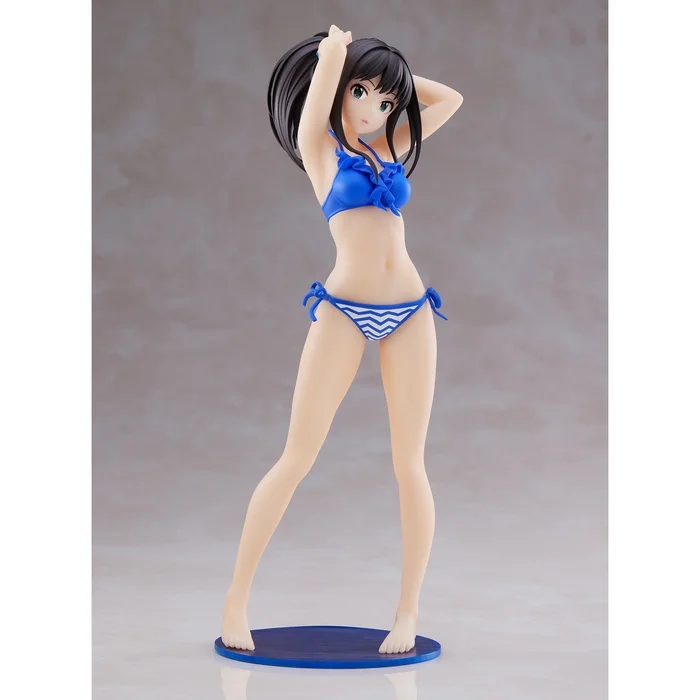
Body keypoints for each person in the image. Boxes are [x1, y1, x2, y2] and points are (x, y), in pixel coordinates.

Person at [222, 24, 463, 655]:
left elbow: (449, 99)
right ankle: (235, 601)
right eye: (361, 93)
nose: (374, 110)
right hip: (344, 310)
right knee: (297, 455)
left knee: (410, 463)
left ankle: (407, 611)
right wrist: (338, 58)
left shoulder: (389, 146)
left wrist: (387, 73)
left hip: (410, 309)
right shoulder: (321, 152)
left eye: (386, 102)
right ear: (337, 93)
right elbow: (319, 101)